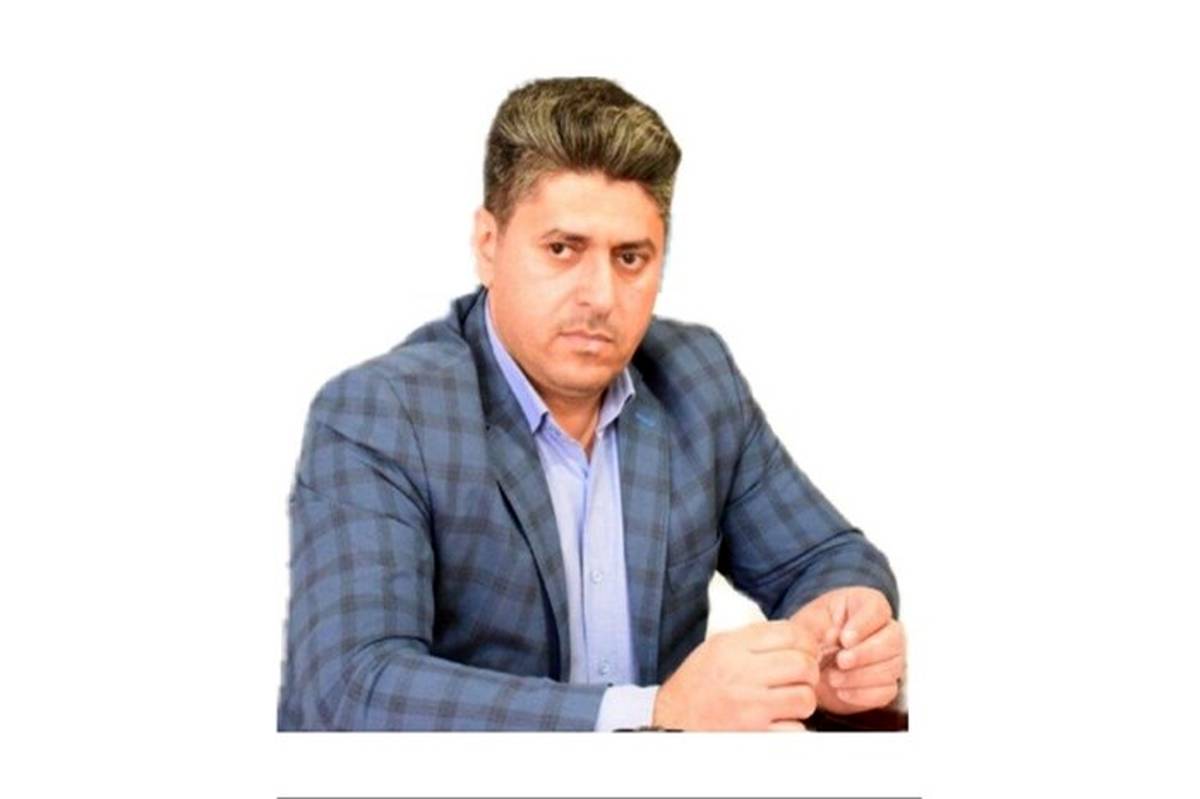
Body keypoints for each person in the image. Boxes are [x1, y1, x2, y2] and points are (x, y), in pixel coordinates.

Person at [277, 77, 905, 731]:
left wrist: (842, 629)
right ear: (488, 244)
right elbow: (353, 687)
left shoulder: (696, 379)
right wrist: (655, 713)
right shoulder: (379, 416)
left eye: (630, 258)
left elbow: (824, 557)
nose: (600, 297)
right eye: (562, 249)